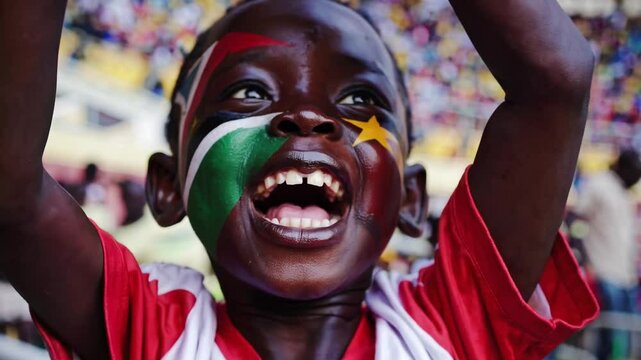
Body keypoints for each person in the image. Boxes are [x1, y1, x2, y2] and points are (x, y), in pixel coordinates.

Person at [0, 0, 599, 359]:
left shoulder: (455, 325)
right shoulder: (147, 330)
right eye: (249, 92)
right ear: (168, 186)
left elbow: (555, 82)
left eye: (360, 99)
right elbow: (12, 195)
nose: (309, 117)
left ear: (411, 199)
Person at [574, 149, 641, 359]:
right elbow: (576, 223)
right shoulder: (599, 184)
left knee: (626, 340)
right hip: (604, 272)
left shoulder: (624, 192)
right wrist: (585, 262)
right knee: (607, 338)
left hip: (626, 277)